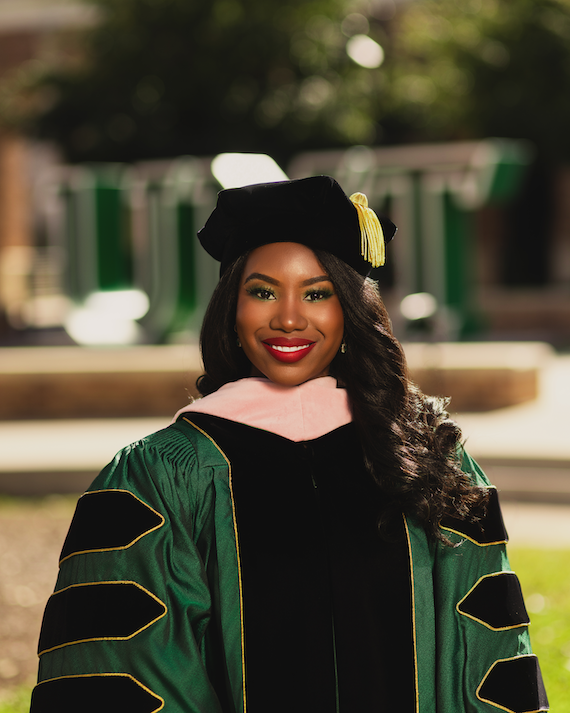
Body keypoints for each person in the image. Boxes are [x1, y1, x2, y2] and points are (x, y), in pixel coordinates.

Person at [31, 176, 548, 713]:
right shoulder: (163, 475)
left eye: (318, 293)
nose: (289, 318)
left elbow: (487, 651)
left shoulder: (425, 454)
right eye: (262, 291)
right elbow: (129, 667)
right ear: (231, 308)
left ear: (350, 309)